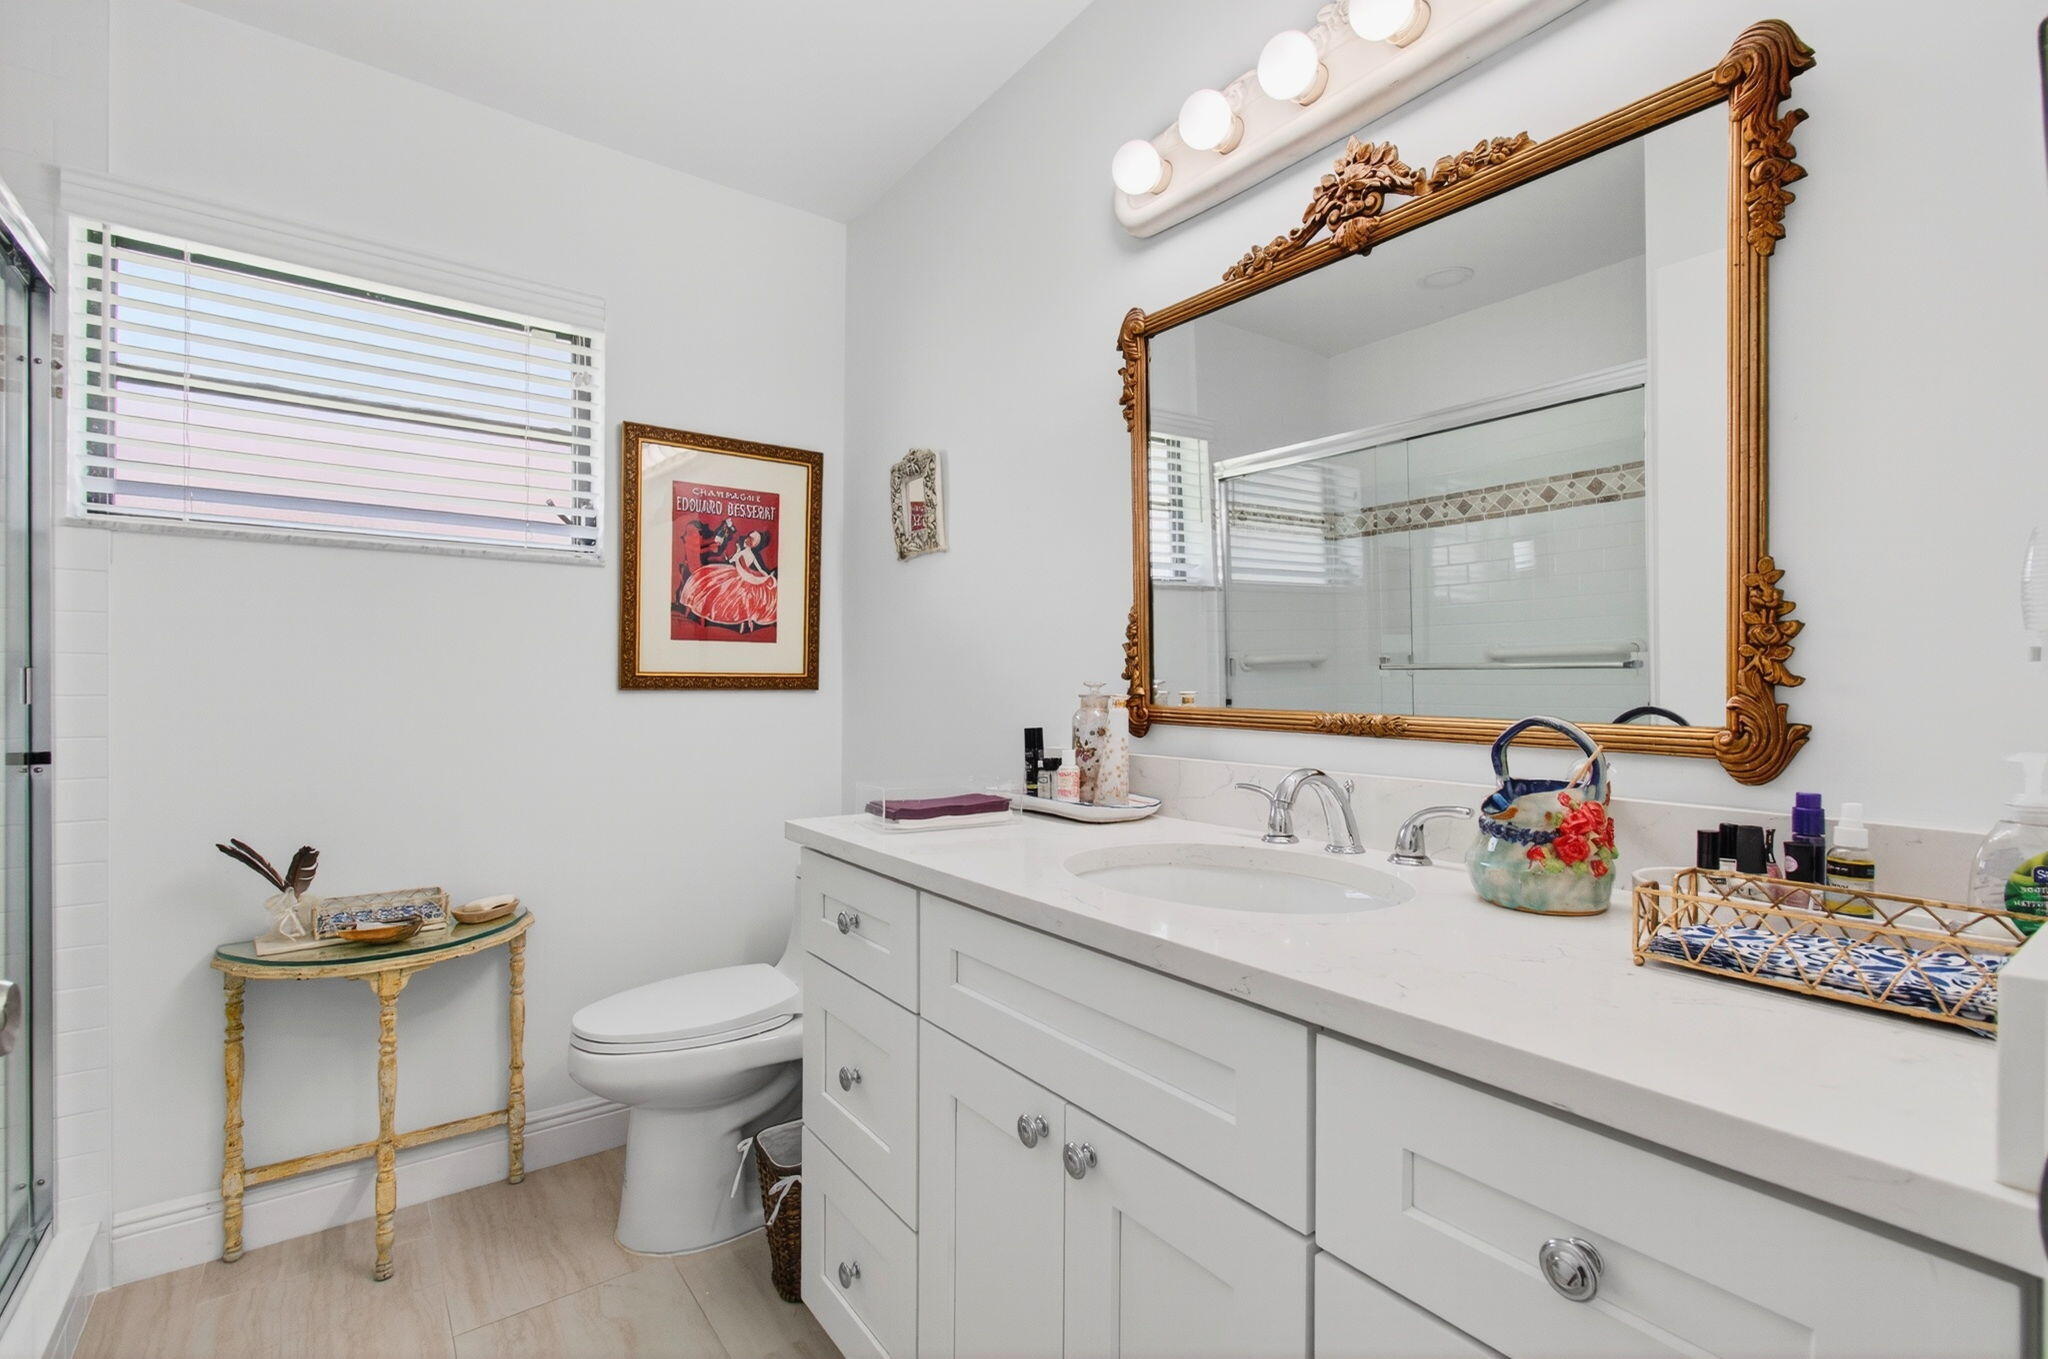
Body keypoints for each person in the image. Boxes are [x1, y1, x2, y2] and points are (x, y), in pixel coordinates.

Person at [678, 527, 778, 634]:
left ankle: (744, 624)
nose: (747, 540)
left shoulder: (751, 554)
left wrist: (766, 576)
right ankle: (694, 609)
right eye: (748, 537)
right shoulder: (741, 549)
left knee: (742, 599)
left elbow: (758, 568)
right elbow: (731, 560)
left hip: (745, 578)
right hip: (733, 573)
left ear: (753, 544)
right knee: (709, 580)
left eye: (750, 540)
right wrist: (728, 556)